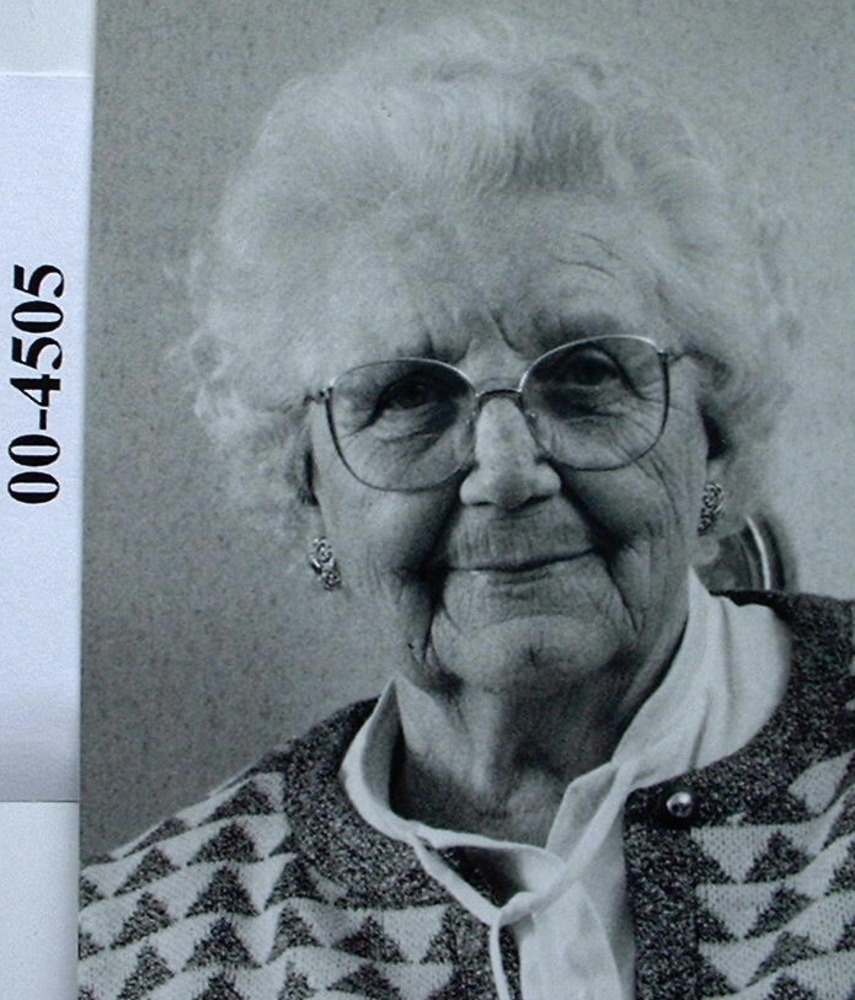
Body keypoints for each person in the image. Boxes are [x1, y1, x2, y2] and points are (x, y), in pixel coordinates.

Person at [79, 16, 855, 1000]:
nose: (506, 469)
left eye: (587, 374)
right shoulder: (135, 950)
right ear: (309, 498)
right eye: (406, 395)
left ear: (715, 441)